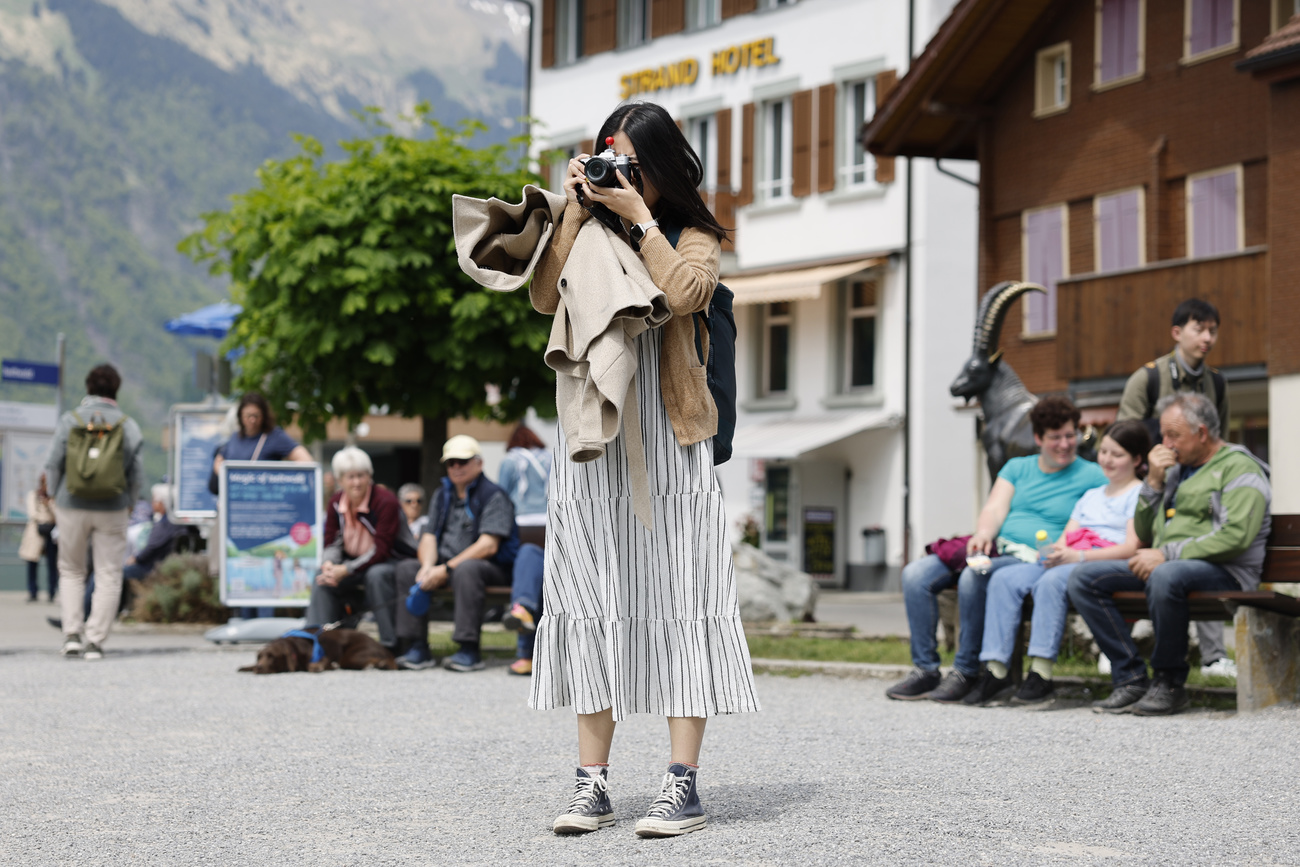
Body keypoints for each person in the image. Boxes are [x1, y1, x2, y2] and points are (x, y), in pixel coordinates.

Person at [528, 102, 759, 839]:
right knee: (592, 595)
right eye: (607, 158)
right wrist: (575, 207)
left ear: (660, 166)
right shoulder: (584, 225)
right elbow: (542, 295)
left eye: (630, 162)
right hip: (596, 435)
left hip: (672, 439)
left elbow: (689, 293)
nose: (617, 173)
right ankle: (591, 781)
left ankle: (680, 783)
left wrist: (641, 219)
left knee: (680, 597)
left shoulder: (694, 234)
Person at [887, 395, 1106, 704]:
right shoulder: (1017, 467)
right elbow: (994, 508)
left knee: (973, 576)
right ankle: (925, 668)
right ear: (1038, 438)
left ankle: (966, 670)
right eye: (1055, 437)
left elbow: (1103, 518)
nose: (1065, 444)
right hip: (996, 547)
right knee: (915, 574)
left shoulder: (1092, 475)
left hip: (1035, 559)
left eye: (1070, 435)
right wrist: (984, 533)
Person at [1069, 393, 1271, 716]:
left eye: (1173, 435)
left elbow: (1236, 536)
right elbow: (1145, 534)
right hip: (1171, 568)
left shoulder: (1239, 468)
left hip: (1227, 571)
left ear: (1202, 433)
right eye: (1162, 434)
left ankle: (1169, 682)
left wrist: (1166, 554)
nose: (1165, 443)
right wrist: (1151, 483)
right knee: (1083, 578)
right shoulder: (1175, 470)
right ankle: (1131, 678)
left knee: (1165, 574)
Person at [973, 421, 1150, 706]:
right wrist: (1055, 551)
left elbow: (1131, 547)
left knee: (1051, 581)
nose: (1106, 460)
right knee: (1004, 578)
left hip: (1100, 562)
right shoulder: (1091, 496)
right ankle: (996, 670)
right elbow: (1067, 538)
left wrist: (1076, 557)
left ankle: (1041, 673)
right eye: (1103, 452)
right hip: (1073, 558)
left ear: (1137, 459)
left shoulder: (1138, 494)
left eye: (1116, 455)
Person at [1116, 297, 1234, 678]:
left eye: (1213, 330)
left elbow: (1220, 438)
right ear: (1177, 332)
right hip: (1153, 482)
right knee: (1150, 558)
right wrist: (1152, 476)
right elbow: (1125, 436)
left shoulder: (1216, 381)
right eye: (1200, 328)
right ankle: (1128, 644)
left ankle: (1213, 657)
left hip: (1200, 483)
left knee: (1194, 557)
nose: (1208, 337)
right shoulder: (1147, 378)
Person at [393, 435, 520, 672]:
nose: (456, 467)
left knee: (467, 569)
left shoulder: (494, 495)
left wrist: (447, 568)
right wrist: (428, 567)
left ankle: (468, 649)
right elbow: (429, 535)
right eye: (451, 462)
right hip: (447, 565)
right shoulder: (442, 494)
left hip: (490, 568)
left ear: (479, 463)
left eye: (463, 461)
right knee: (408, 568)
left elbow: (488, 545)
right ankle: (417, 647)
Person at [44, 364, 144, 660]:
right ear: (116, 389)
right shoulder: (128, 425)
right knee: (108, 574)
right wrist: (130, 503)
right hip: (113, 508)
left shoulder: (70, 420)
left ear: (88, 388)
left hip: (71, 504)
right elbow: (136, 474)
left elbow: (53, 463)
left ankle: (72, 634)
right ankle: (95, 641)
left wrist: (53, 497)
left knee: (72, 570)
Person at [212, 391, 313, 617]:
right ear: (240, 416)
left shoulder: (274, 437)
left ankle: (265, 616)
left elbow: (304, 458)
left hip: (267, 516)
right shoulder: (234, 440)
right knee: (242, 564)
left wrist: (280, 482)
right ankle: (242, 616)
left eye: (256, 415)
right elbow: (219, 461)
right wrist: (226, 475)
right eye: (248, 415)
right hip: (239, 517)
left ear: (264, 416)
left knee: (267, 566)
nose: (252, 420)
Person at [306, 447, 416, 652]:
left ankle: (390, 646)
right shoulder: (336, 502)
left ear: (370, 477)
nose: (356, 482)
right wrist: (330, 565)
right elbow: (331, 541)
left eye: (361, 476)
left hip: (392, 561)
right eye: (350, 477)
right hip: (354, 562)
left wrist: (345, 570)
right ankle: (318, 643)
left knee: (376, 575)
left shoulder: (386, 502)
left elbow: (381, 550)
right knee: (322, 578)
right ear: (340, 480)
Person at [497, 423, 553, 675]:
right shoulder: (551, 457)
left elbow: (503, 497)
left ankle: (525, 645)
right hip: (551, 524)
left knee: (528, 559)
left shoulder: (510, 460)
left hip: (522, 525)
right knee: (538, 573)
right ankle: (529, 651)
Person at [498, 424, 552, 526]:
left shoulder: (510, 460)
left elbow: (502, 493)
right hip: (547, 516)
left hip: (520, 516)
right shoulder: (549, 459)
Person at [20, 474, 58, 603]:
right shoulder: (33, 495)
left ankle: (52, 592)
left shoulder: (54, 497)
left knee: (52, 564)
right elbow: (32, 513)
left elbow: (57, 515)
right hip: (36, 532)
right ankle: (32, 591)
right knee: (32, 562)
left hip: (51, 533)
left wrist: (49, 503)